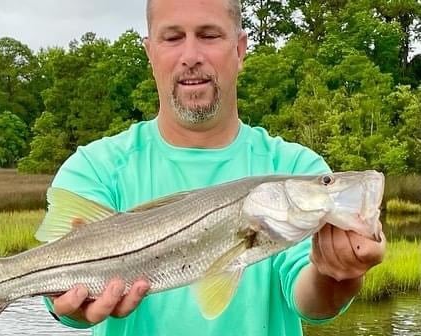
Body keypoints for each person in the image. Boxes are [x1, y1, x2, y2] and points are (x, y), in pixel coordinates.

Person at [38, 0, 386, 334]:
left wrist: (338, 272)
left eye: (209, 35)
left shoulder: (295, 166)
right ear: (149, 52)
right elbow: (61, 305)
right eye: (173, 37)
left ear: (240, 48)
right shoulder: (93, 168)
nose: (191, 56)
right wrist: (66, 306)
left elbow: (310, 299)